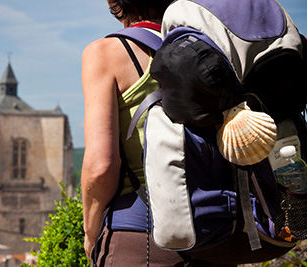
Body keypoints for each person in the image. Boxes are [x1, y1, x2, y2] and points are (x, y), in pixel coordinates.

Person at [81, 0, 238, 266]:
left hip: (139, 239)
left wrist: (90, 232)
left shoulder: (106, 52)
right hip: (219, 236)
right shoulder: (212, 50)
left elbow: (101, 167)